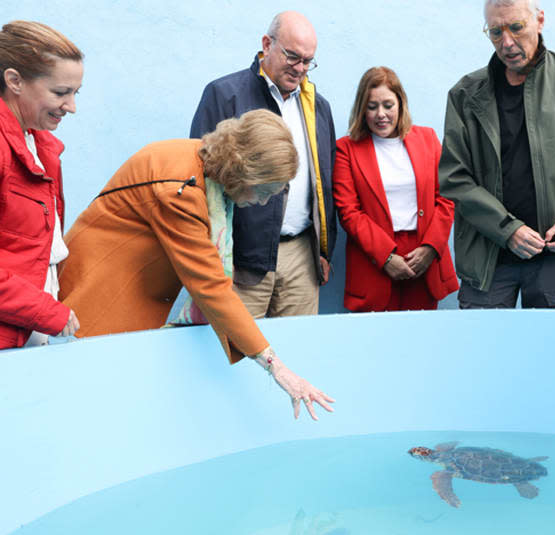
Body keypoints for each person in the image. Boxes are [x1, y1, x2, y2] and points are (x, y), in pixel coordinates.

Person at [59, 110, 334, 419]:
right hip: (102, 290)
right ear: (245, 172)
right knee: (90, 403)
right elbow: (210, 285)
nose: (262, 203)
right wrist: (278, 368)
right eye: (265, 191)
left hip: (129, 284)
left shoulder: (203, 161)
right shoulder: (180, 188)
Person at [439, 0, 555, 309]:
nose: (506, 42)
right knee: (483, 351)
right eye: (495, 32)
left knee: (552, 352)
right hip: (487, 257)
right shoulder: (465, 94)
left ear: (540, 20)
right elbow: (455, 178)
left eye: (516, 27)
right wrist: (507, 230)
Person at [190, 11, 336, 319]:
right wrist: (213, 261)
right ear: (267, 44)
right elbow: (199, 178)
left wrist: (323, 249)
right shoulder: (224, 95)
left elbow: (325, 180)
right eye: (293, 57)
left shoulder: (318, 106)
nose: (300, 69)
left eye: (308, 61)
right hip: (241, 258)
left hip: (301, 258)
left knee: (297, 353)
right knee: (237, 352)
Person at [333, 67, 459, 311]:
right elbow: (349, 212)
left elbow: (446, 198)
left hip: (423, 257)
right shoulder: (346, 149)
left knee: (422, 340)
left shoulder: (427, 139)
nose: (381, 114)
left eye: (388, 105)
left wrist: (431, 248)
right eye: (372, 107)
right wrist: (386, 257)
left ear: (401, 104)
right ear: (362, 109)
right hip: (375, 261)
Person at [0, 21, 83, 349]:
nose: (72, 107)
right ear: (14, 81)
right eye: (61, 92)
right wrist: (44, 311)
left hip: (27, 331)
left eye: (75, 93)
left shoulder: (42, 146)